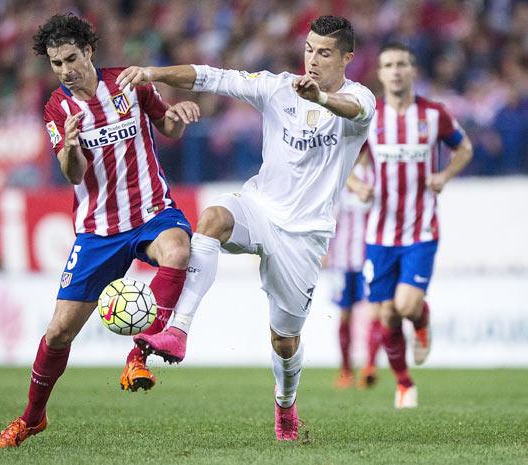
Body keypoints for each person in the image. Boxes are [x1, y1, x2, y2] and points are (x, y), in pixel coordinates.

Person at [117, 15, 375, 441]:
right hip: (258, 208)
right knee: (214, 218)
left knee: (284, 341)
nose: (312, 59)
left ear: (347, 57)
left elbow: (354, 110)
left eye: (324, 53)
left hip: (304, 236)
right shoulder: (277, 88)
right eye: (309, 49)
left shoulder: (359, 99)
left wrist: (321, 100)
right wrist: (152, 73)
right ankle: (178, 330)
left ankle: (286, 406)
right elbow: (212, 77)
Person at [0, 14, 200, 448]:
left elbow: (168, 127)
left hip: (151, 213)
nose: (65, 70)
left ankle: (137, 356)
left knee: (179, 251)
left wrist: (178, 114)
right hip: (98, 231)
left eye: (70, 58)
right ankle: (31, 418)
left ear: (89, 51)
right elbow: (73, 173)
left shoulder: (129, 83)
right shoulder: (57, 108)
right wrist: (68, 147)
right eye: (55, 63)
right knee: (58, 333)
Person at [347, 42, 473, 409]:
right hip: (379, 233)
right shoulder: (369, 118)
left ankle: (421, 319)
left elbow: (464, 148)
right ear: (381, 73)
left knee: (404, 304)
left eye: (402, 63)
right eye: (389, 65)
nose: (396, 70)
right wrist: (358, 185)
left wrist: (444, 175)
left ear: (413, 70)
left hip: (421, 230)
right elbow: (345, 166)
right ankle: (404, 383)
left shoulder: (435, 115)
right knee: (385, 312)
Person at [326, 162, 382, 389]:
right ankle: (346, 370)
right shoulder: (339, 171)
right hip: (342, 259)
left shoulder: (376, 172)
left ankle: (369, 367)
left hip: (369, 256)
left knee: (373, 311)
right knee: (345, 314)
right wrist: (325, 250)